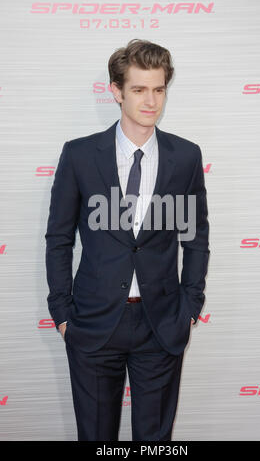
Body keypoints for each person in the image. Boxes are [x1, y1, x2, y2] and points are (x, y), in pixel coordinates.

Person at [45, 39, 210, 441]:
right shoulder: (81, 155)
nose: (151, 100)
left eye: (159, 89)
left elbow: (195, 237)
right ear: (116, 92)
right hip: (92, 324)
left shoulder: (185, 156)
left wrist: (189, 307)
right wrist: (63, 314)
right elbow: (58, 239)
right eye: (139, 89)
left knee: (154, 441)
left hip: (161, 324)